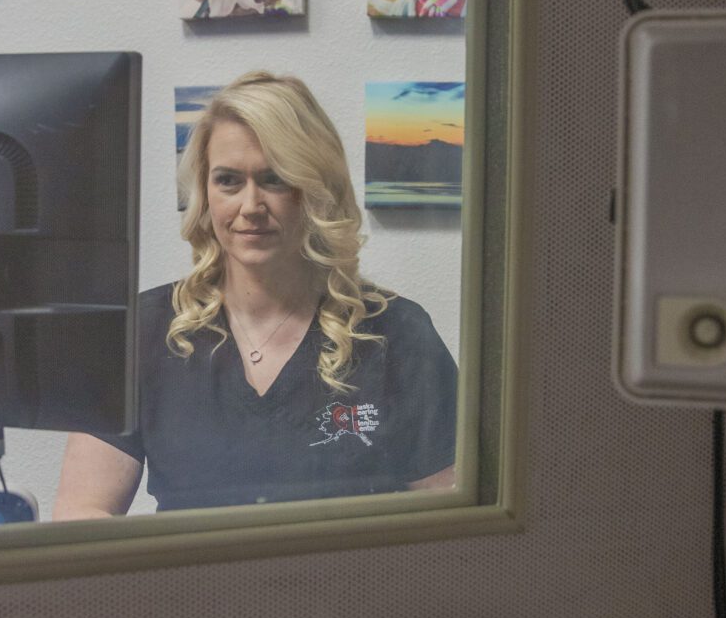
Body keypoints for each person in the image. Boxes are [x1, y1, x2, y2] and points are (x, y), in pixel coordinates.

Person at [54, 71, 458, 517]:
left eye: (275, 179)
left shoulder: (397, 334)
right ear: (205, 194)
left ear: (316, 191)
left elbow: (452, 519)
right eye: (228, 181)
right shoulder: (141, 332)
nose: (250, 207)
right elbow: (82, 516)